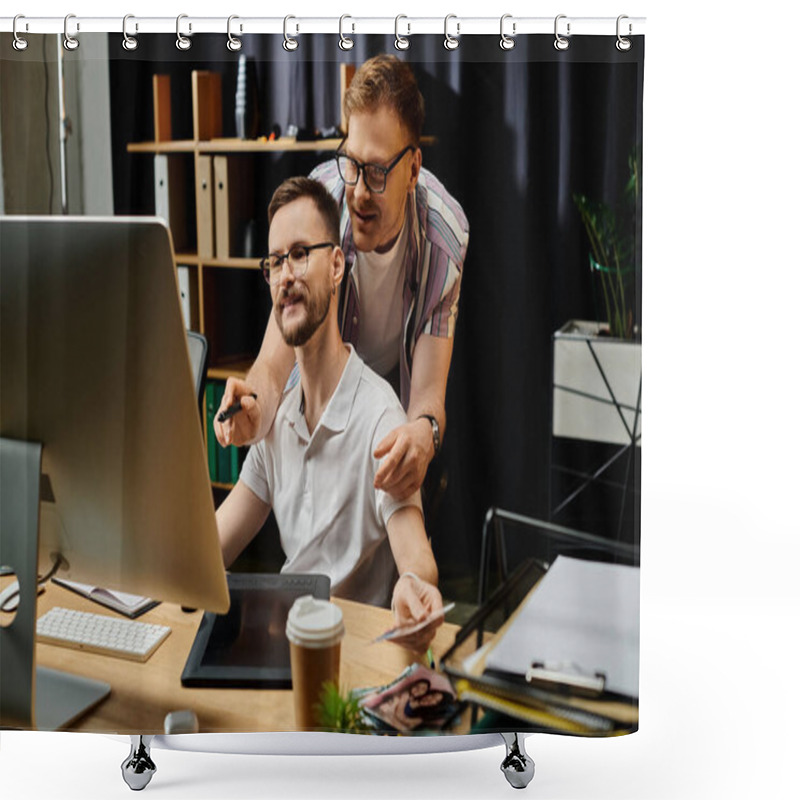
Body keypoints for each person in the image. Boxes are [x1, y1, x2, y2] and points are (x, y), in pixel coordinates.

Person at [215, 54, 469, 502]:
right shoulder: (321, 206)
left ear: (412, 170)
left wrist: (421, 434)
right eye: (351, 163)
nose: (357, 191)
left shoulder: (444, 239)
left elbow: (428, 394)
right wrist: (253, 405)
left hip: (386, 402)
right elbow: (275, 361)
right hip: (319, 400)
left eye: (376, 171)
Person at [216, 176, 443, 649]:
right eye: (276, 261)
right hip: (286, 646)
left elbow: (416, 557)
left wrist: (414, 584)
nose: (286, 275)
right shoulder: (274, 417)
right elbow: (215, 546)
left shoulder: (381, 415)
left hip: (356, 655)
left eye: (300, 254)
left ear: (337, 265)